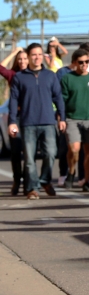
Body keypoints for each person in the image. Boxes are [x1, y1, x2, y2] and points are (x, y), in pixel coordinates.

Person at [8, 43, 65, 199]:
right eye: (33, 54)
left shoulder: (50, 75)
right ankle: (33, 188)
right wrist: (12, 121)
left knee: (51, 153)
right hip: (28, 123)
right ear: (28, 57)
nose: (37, 57)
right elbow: (13, 100)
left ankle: (45, 180)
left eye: (40, 54)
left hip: (48, 122)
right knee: (29, 159)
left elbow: (58, 97)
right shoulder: (19, 77)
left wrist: (62, 117)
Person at [61, 48, 89, 191]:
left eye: (87, 61)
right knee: (74, 149)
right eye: (81, 62)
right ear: (75, 63)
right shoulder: (67, 78)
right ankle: (71, 172)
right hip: (72, 118)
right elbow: (62, 100)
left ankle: (86, 181)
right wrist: (61, 117)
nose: (84, 64)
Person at [1, 48, 28, 195]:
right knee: (16, 151)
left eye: (25, 58)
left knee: (29, 151)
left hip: (30, 116)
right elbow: (0, 67)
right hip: (15, 118)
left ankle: (28, 182)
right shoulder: (13, 75)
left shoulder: (34, 74)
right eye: (20, 59)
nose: (22, 61)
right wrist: (13, 52)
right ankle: (17, 180)